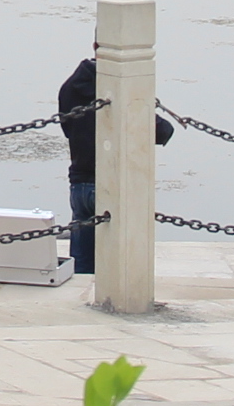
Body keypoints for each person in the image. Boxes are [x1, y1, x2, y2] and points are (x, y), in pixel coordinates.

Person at [58, 47, 176, 276]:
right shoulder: (122, 91)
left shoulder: (70, 87)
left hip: (80, 184)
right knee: (121, 268)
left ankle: (84, 301)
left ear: (95, 47)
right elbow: (163, 132)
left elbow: (67, 128)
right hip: (114, 185)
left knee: (81, 263)